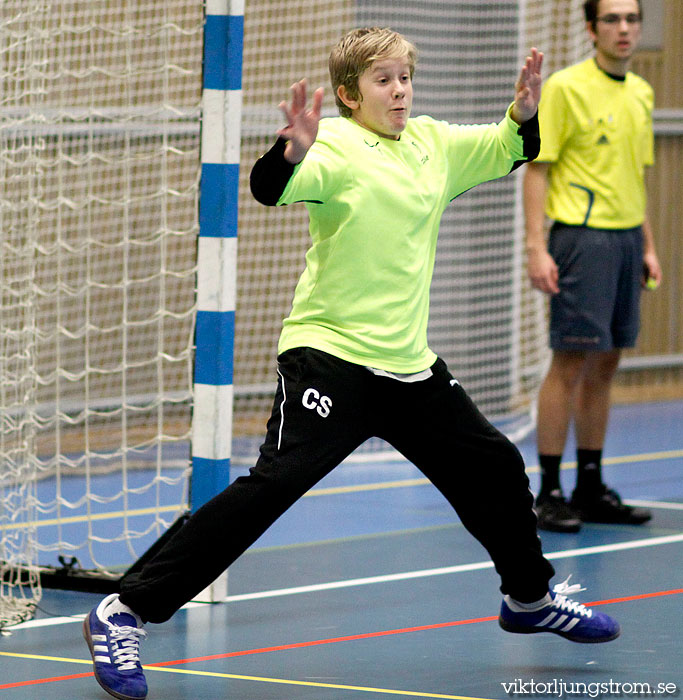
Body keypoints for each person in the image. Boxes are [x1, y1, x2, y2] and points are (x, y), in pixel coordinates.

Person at [83, 28, 620, 700]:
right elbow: (269, 188)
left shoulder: (430, 143)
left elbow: (507, 148)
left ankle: (528, 599)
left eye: (405, 77)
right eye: (383, 80)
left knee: (492, 464)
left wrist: (521, 113)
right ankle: (124, 609)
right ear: (348, 94)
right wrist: (290, 150)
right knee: (273, 486)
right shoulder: (334, 146)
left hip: (408, 365)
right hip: (329, 357)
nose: (399, 90)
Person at [524, 0, 661, 533]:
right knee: (571, 361)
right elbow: (538, 169)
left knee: (607, 362)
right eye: (612, 19)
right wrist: (537, 247)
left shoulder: (643, 93)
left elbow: (633, 177)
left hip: (628, 239)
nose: (624, 28)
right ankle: (550, 491)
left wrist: (647, 243)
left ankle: (590, 485)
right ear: (590, 27)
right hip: (582, 240)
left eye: (632, 19)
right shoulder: (565, 87)